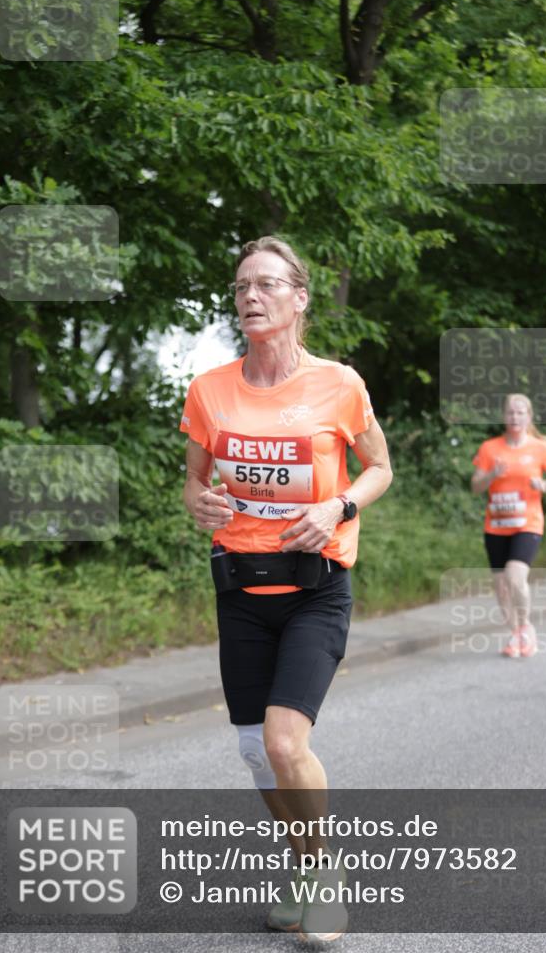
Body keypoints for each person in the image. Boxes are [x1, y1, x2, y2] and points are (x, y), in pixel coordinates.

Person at [180, 236, 393, 941]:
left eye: (266, 284)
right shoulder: (210, 389)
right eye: (242, 286)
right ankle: (303, 869)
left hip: (315, 587)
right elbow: (193, 481)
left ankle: (323, 877)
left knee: (281, 740)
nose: (250, 297)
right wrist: (199, 502)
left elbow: (378, 469)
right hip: (240, 589)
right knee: (253, 750)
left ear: (299, 298)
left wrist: (339, 506)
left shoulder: (339, 384)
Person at [471, 393, 546, 658]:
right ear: (504, 416)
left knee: (515, 577)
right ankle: (515, 634)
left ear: (529, 417)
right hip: (496, 525)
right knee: (501, 585)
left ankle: (526, 628)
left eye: (520, 412)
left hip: (528, 523)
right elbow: (475, 486)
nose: (515, 417)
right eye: (510, 412)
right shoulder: (490, 448)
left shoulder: (540, 448)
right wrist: (492, 474)